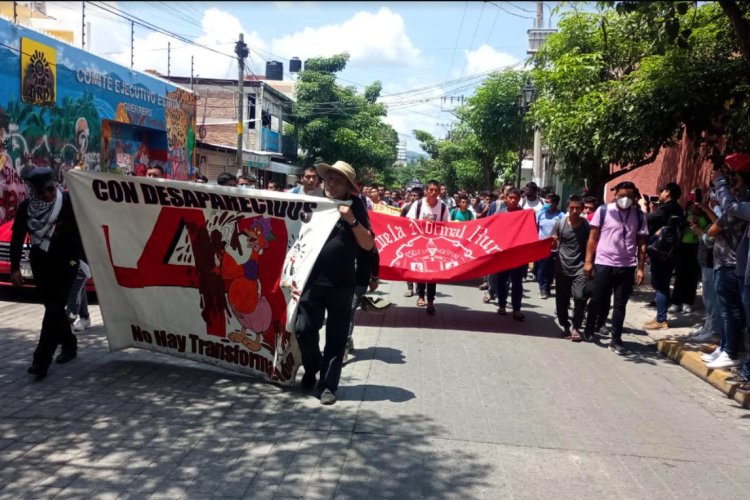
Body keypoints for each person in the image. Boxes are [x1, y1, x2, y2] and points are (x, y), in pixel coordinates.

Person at [295, 161, 374, 405]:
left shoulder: (356, 206)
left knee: (337, 337)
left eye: (338, 180)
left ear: (348, 187)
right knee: (304, 329)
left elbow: (368, 244)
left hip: (342, 284)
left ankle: (328, 385)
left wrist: (351, 219)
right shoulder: (313, 202)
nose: (331, 183)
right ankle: (312, 367)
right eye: (329, 178)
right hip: (310, 281)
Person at [10, 167, 84, 379]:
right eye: (42, 192)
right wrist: (14, 268)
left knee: (53, 309)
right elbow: (17, 237)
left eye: (51, 189)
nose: (48, 195)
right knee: (54, 308)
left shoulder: (67, 203)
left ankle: (41, 361)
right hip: (41, 263)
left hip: (66, 262)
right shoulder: (27, 208)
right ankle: (69, 344)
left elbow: (82, 229)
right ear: (34, 192)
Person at [582, 181, 648, 355]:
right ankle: (590, 327)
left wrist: (640, 268)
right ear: (615, 195)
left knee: (620, 304)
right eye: (621, 196)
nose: (625, 200)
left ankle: (616, 339)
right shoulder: (603, 211)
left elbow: (642, 243)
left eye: (629, 197)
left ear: (634, 197)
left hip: (626, 266)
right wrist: (588, 262)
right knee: (597, 298)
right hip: (604, 263)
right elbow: (592, 238)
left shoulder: (639, 216)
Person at [705, 154, 750, 372]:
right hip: (730, 264)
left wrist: (721, 185)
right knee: (728, 311)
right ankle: (726, 347)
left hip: (731, 264)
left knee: (730, 311)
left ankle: (732, 351)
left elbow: (715, 228)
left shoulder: (740, 206)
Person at [643, 182, 685, 330]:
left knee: (660, 285)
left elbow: (647, 219)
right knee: (664, 284)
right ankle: (661, 316)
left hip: (660, 251)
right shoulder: (679, 209)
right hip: (673, 252)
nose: (660, 194)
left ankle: (661, 320)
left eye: (662, 192)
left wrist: (644, 208)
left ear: (667, 193)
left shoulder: (665, 208)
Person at [406, 179, 449, 314]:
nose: (433, 193)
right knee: (420, 271)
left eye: (436, 190)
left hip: (435, 244)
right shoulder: (418, 205)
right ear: (426, 190)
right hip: (419, 243)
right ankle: (420, 296)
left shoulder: (442, 206)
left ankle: (430, 301)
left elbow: (447, 225)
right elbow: (409, 221)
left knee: (432, 273)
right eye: (431, 190)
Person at [551, 195, 590, 341]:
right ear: (567, 208)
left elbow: (591, 244)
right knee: (561, 299)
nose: (574, 210)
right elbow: (553, 244)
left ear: (582, 209)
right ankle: (565, 326)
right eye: (572, 208)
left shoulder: (586, 225)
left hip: (579, 268)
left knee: (580, 297)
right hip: (561, 267)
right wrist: (553, 241)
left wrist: (589, 263)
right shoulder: (560, 223)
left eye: (577, 208)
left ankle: (576, 327)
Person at [495, 188, 527, 321]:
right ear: (506, 198)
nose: (513, 200)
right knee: (501, 281)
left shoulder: (524, 215)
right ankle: (502, 305)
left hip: (517, 254)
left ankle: (516, 309)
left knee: (517, 282)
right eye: (511, 197)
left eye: (516, 197)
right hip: (502, 253)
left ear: (519, 199)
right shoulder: (500, 214)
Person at [346, 230, 380, 358]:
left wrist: (375, 279)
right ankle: (347, 340)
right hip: (343, 281)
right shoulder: (347, 237)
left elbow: (375, 259)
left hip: (360, 282)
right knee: (345, 312)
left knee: (349, 310)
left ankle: (345, 343)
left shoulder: (368, 239)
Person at [535, 193, 564, 299]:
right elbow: (535, 227)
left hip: (554, 247)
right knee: (542, 268)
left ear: (555, 203)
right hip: (541, 245)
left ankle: (547, 286)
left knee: (550, 268)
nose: (546, 204)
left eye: (548, 202)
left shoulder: (561, 216)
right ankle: (542, 288)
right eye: (545, 202)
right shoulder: (540, 214)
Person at [400, 187, 423, 298]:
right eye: (412, 195)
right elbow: (400, 222)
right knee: (408, 265)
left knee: (420, 264)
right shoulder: (406, 208)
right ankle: (410, 288)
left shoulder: (423, 208)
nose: (413, 198)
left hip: (421, 240)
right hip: (409, 240)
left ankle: (419, 286)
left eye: (416, 196)